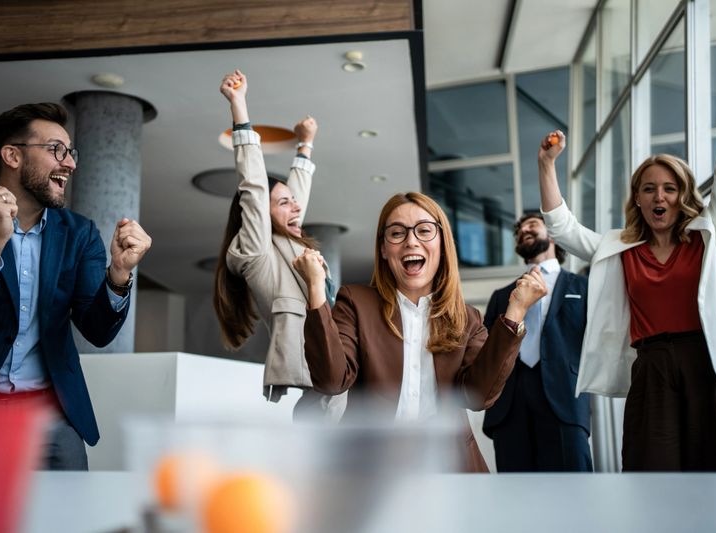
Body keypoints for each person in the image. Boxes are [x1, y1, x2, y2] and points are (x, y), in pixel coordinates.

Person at [537, 46, 716, 471]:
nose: (659, 196)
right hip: (651, 368)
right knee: (652, 468)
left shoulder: (711, 232)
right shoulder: (620, 247)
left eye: (669, 187)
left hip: (710, 362)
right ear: (638, 198)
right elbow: (562, 227)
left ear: (683, 194)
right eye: (648, 188)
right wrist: (546, 165)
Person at [0, 102, 152, 469]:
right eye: (57, 149)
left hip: (50, 416)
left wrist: (118, 275)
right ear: (11, 155)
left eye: (71, 152)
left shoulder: (80, 233)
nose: (70, 163)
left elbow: (98, 331)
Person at [293, 191, 546, 471]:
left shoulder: (468, 318)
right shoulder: (355, 302)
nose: (411, 240)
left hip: (450, 467)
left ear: (442, 244)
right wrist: (316, 290)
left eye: (424, 230)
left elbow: (479, 396)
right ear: (384, 249)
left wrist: (516, 312)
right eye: (397, 233)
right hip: (373, 469)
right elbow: (331, 380)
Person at [213, 70, 344, 418]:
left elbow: (293, 197)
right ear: (261, 217)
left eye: (292, 202)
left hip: (341, 384)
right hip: (320, 393)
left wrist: (306, 144)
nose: (295, 207)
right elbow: (255, 190)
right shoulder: (257, 253)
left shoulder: (288, 244)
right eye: (283, 203)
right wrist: (239, 107)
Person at [482, 212, 592, 472]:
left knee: (576, 491)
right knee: (515, 497)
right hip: (509, 404)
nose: (523, 230)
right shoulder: (500, 296)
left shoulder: (583, 286)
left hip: (564, 399)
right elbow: (487, 351)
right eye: (519, 229)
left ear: (553, 233)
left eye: (532, 224)